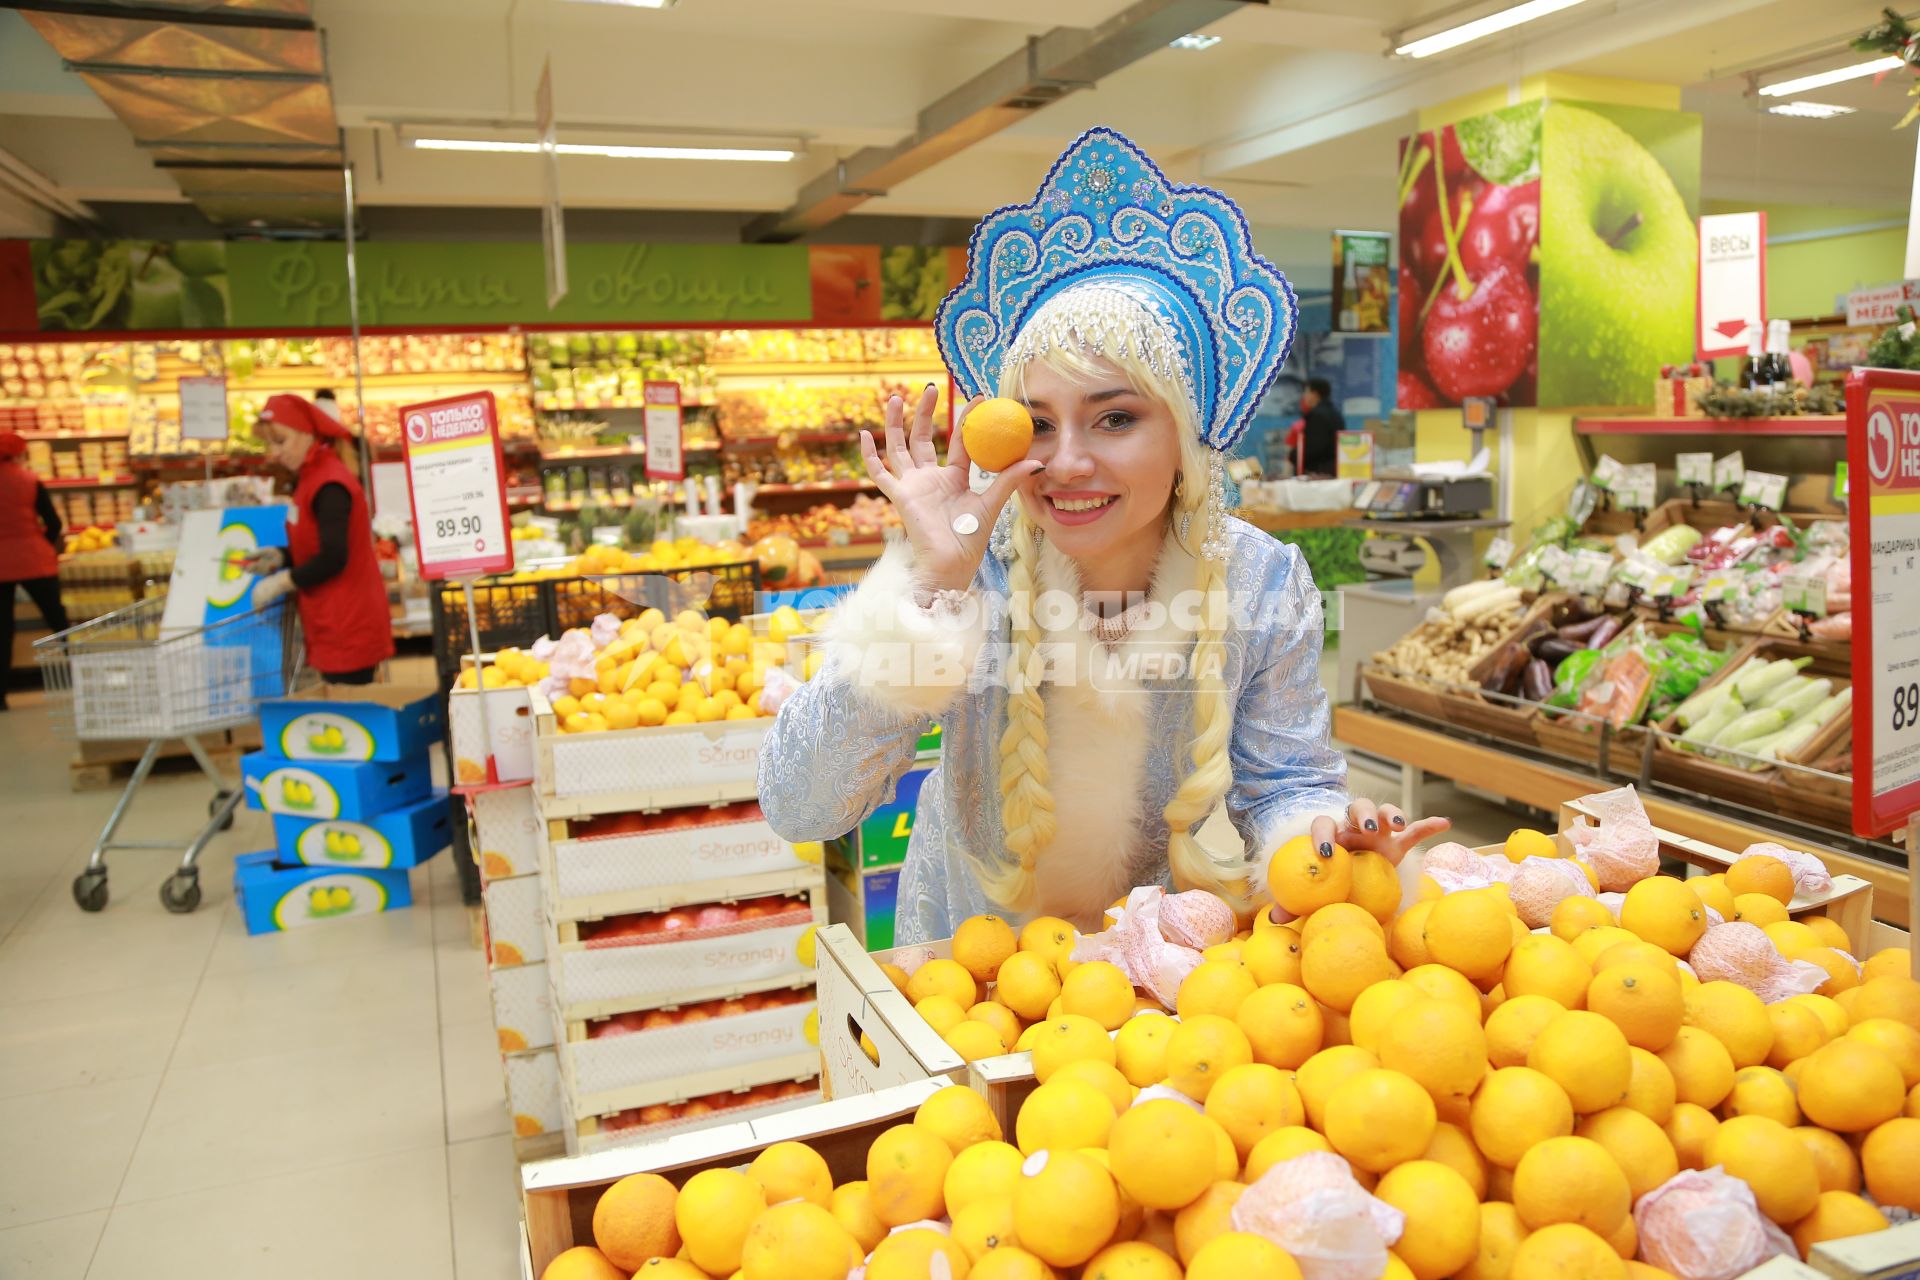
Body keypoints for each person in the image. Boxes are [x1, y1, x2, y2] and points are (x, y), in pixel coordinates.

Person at [758, 127, 1446, 943]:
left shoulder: (1260, 580)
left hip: (1160, 979)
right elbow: (803, 803)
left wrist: (1325, 837)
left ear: (1186, 434)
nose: (1068, 463)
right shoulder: (972, 571)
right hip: (974, 963)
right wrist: (929, 591)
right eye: (1038, 425)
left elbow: (1284, 783)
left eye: (1115, 418)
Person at [243, 394, 393, 684]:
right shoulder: (312, 477)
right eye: (270, 444)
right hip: (331, 620)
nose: (274, 453)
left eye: (281, 441)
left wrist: (282, 582)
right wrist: (281, 556)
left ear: (306, 434)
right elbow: (316, 541)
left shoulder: (329, 484)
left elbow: (334, 556)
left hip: (347, 624)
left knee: (352, 714)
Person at [0, 430, 70, 710]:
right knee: (57, 619)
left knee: (3, 630)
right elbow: (53, 522)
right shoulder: (29, 480)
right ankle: (82, 675)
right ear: (19, 453)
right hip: (34, 558)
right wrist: (43, 542)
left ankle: (1, 697)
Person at [1297, 376, 1345, 476]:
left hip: (1320, 473)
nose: (1304, 396)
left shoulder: (1317, 416)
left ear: (1314, 394)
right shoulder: (1336, 414)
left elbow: (1314, 448)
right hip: (1335, 469)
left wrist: (1293, 455)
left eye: (1306, 392)